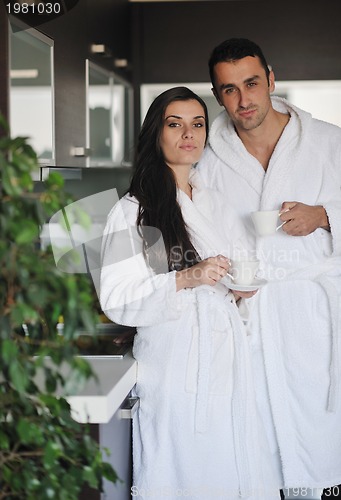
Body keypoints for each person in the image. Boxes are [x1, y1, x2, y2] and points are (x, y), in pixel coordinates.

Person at [100, 87, 282, 499]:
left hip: (229, 360)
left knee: (233, 472)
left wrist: (238, 290)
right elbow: (116, 298)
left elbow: (235, 272)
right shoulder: (132, 210)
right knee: (183, 474)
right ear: (156, 134)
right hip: (177, 367)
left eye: (197, 124)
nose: (189, 133)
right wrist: (185, 278)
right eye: (175, 124)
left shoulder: (216, 200)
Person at [196, 37, 341, 500]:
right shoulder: (207, 158)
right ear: (217, 95)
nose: (243, 100)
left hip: (313, 317)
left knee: (320, 441)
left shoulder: (328, 142)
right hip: (247, 317)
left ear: (271, 79)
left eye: (252, 83)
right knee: (260, 449)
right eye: (229, 90)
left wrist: (325, 216)